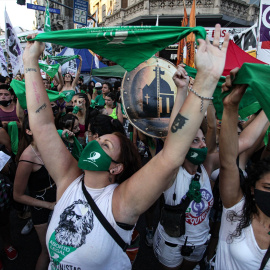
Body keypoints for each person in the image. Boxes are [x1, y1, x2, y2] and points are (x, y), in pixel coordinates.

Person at [24, 24, 228, 270]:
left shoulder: (122, 202)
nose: (96, 142)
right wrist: (30, 62)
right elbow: (43, 125)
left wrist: (206, 81)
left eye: (106, 144)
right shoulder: (68, 181)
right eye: (99, 139)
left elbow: (172, 155)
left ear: (116, 168)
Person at [215, 68, 270, 270]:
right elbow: (228, 160)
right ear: (253, 189)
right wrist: (230, 107)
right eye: (268, 187)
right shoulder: (236, 212)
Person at [13, 114, 56, 270]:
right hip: (41, 207)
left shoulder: (50, 146)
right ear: (29, 131)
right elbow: (17, 195)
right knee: (46, 252)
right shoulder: (27, 159)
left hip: (57, 200)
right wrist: (48, 205)